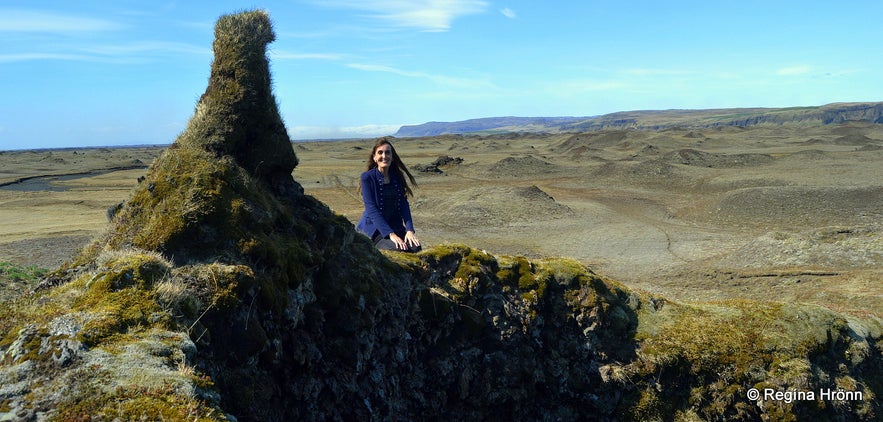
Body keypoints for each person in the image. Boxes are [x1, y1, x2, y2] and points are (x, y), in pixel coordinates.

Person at [357, 137, 422, 252]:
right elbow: (371, 209)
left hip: (396, 227)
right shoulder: (367, 177)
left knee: (416, 247)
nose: (384, 156)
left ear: (392, 157)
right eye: (380, 153)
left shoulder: (397, 177)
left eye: (388, 152)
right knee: (399, 249)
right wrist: (390, 234)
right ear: (374, 157)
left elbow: (403, 205)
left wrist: (410, 230)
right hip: (376, 230)